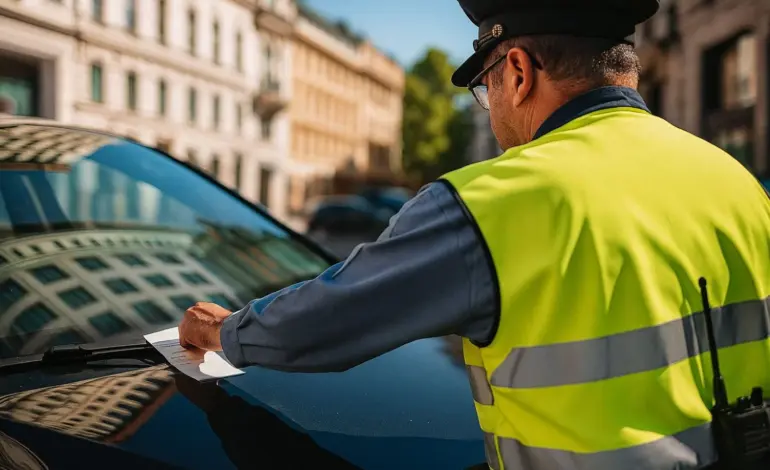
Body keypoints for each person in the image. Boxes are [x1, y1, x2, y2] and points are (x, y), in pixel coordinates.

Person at [179, 0, 770, 468]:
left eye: (483, 88)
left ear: (516, 71)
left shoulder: (490, 200)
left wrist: (228, 331)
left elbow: (327, 319)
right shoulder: (736, 181)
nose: (490, 108)